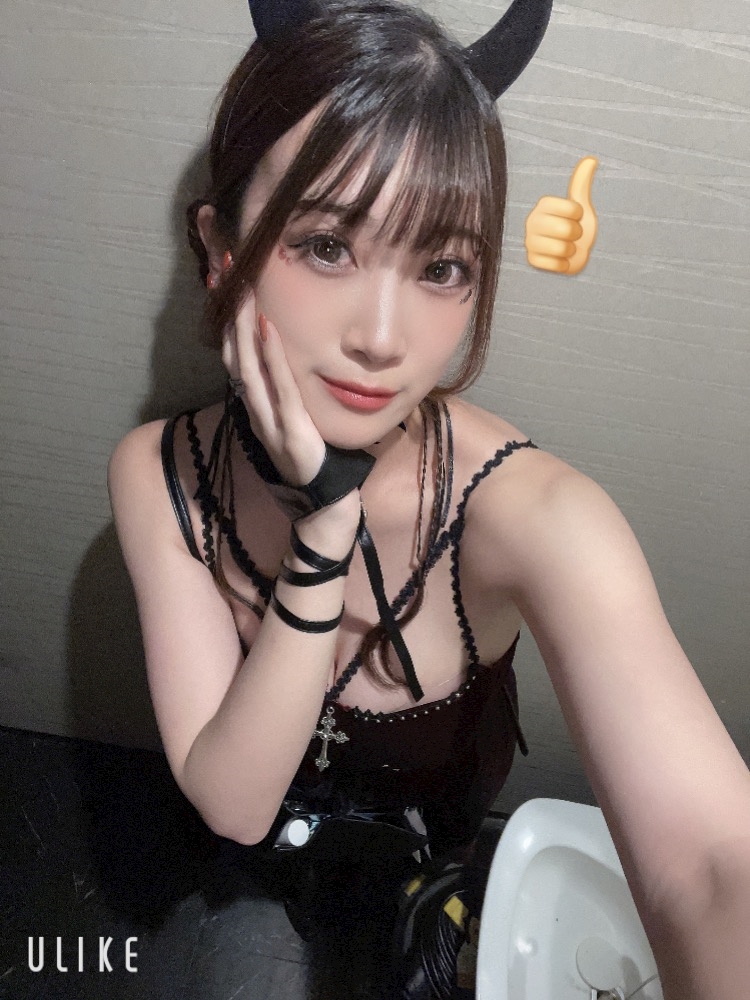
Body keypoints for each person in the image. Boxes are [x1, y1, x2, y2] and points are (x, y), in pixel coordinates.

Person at [108, 1, 750, 996]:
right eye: (327, 245)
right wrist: (324, 532)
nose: (383, 337)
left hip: (427, 866)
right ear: (221, 247)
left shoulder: (532, 513)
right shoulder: (161, 471)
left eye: (442, 267)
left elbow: (711, 867)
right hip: (258, 861)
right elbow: (233, 804)